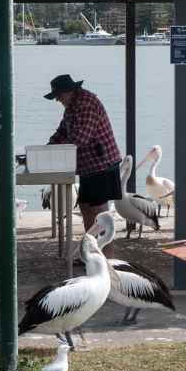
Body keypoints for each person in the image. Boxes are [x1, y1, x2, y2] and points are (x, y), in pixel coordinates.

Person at [45, 74, 122, 254]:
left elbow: (81, 138)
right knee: (86, 209)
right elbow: (62, 132)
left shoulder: (87, 104)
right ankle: (92, 253)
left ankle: (107, 259)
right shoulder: (71, 107)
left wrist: (54, 151)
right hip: (88, 167)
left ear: (69, 92)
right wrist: (47, 147)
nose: (57, 100)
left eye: (58, 96)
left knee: (101, 215)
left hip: (102, 164)